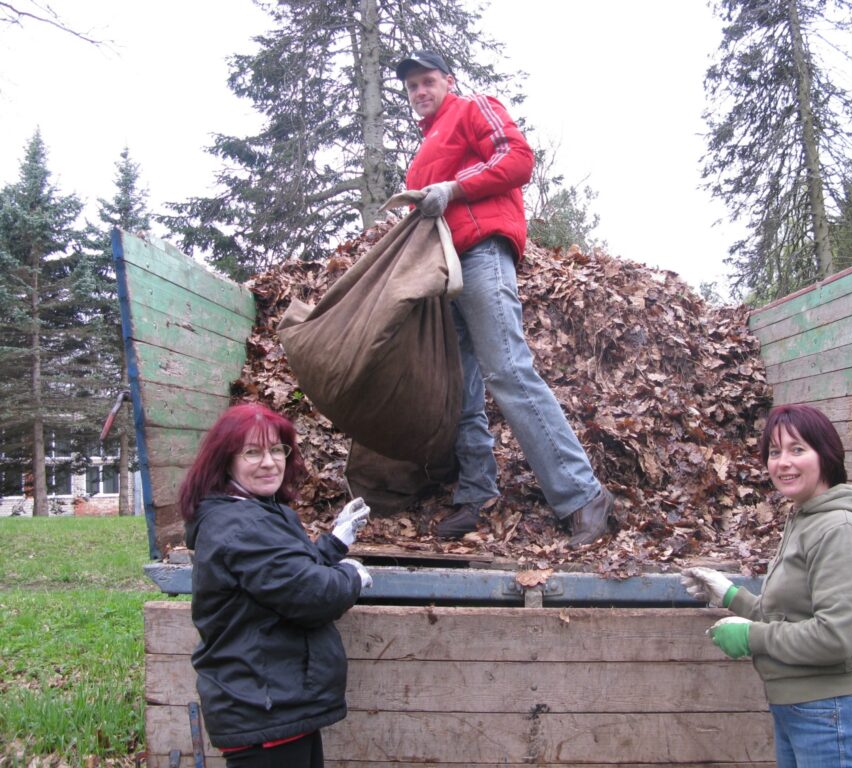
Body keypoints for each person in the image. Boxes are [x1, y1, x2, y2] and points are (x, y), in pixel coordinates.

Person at [395, 49, 614, 548]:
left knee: (508, 371)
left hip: (480, 255)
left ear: (448, 81)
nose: (421, 92)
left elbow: (518, 158)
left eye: (428, 81)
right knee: (461, 388)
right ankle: (477, 492)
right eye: (412, 87)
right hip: (441, 270)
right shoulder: (423, 148)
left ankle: (582, 494)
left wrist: (452, 188)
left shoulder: (474, 107)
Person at [682, 404, 852, 768]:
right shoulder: (806, 518)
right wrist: (733, 597)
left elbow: (835, 638)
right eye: (774, 452)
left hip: (835, 715)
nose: (783, 462)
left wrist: (752, 637)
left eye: (798, 449)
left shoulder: (841, 530)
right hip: (802, 712)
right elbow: (791, 616)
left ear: (825, 455)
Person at [179, 403, 373, 767]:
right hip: (264, 709)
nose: (269, 462)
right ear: (226, 461)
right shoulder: (241, 525)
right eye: (252, 452)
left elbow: (282, 572)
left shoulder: (251, 511)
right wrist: (351, 576)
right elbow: (312, 595)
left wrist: (334, 544)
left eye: (276, 449)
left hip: (272, 704)